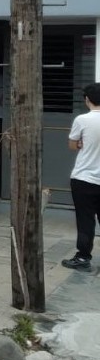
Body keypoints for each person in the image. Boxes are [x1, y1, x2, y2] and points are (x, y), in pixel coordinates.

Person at [62, 82, 100, 271]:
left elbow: (72, 144)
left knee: (85, 220)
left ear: (87, 99)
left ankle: (84, 257)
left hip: (84, 177)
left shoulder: (82, 120)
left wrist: (82, 144)